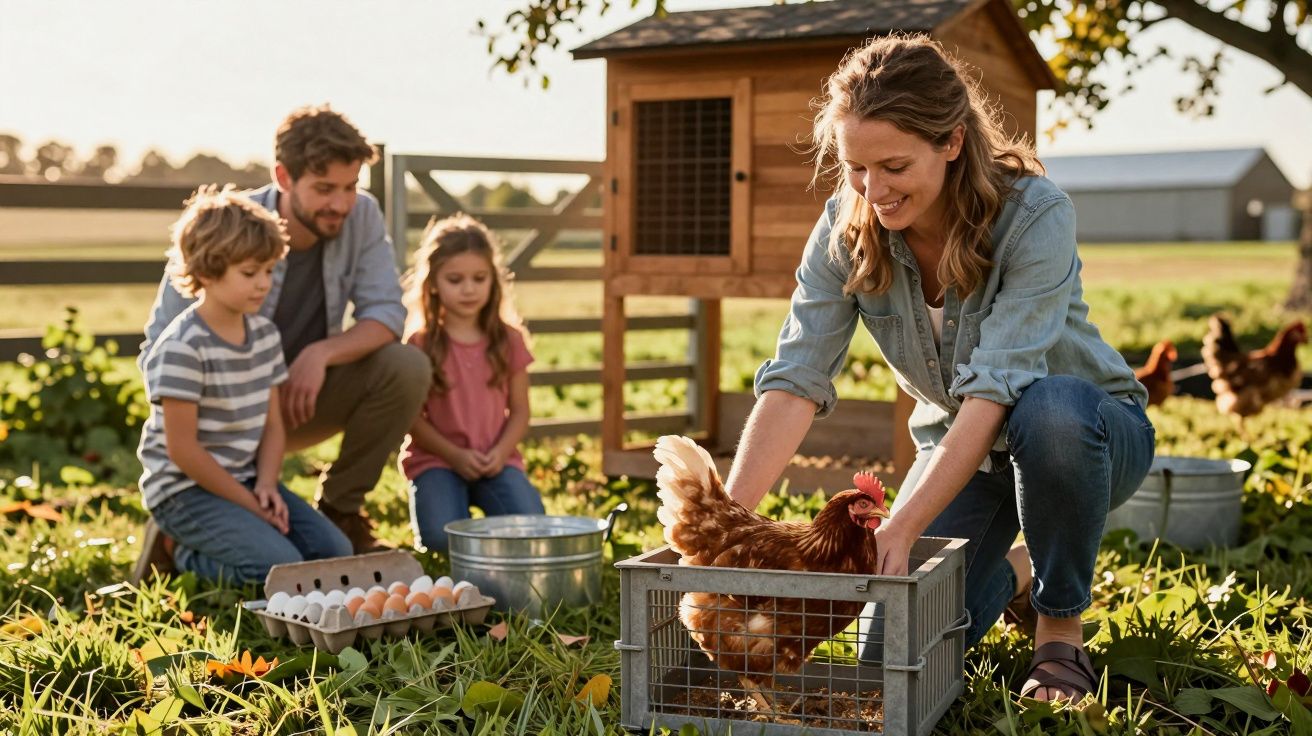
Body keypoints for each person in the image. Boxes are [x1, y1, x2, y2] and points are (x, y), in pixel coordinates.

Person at [722, 35, 1154, 702]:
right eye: (855, 168)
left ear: (952, 142)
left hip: (1085, 438)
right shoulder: (846, 226)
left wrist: (905, 526)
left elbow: (995, 393)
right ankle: (1016, 572)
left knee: (1051, 411)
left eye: (893, 166)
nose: (873, 190)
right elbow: (795, 379)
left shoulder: (1034, 214)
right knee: (890, 661)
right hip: (967, 454)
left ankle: (1060, 634)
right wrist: (727, 525)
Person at [140, 105, 431, 555]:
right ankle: (195, 523)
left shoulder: (363, 216)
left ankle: (340, 511)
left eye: (350, 187)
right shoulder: (229, 227)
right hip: (220, 417)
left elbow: (387, 315)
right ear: (283, 176)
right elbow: (159, 348)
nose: (340, 203)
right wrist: (230, 410)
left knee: (406, 366)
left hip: (300, 401)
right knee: (274, 556)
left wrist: (321, 355)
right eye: (324, 188)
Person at [136, 186, 352, 584]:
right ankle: (177, 551)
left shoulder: (265, 335)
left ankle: (237, 530)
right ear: (205, 272)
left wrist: (267, 486)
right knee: (276, 571)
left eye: (269, 271)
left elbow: (272, 425)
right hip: (184, 491)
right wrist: (251, 505)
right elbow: (183, 451)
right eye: (249, 273)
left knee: (335, 554)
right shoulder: (182, 347)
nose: (263, 284)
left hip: (248, 480)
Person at [398, 213, 545, 553]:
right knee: (439, 537)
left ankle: (482, 511)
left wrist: (499, 453)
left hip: (496, 459)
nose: (468, 288)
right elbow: (411, 419)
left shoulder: (509, 339)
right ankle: (453, 506)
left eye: (479, 278)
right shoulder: (420, 343)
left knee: (532, 526)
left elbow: (521, 411)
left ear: (493, 280)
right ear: (433, 282)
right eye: (455, 279)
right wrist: (454, 454)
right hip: (437, 460)